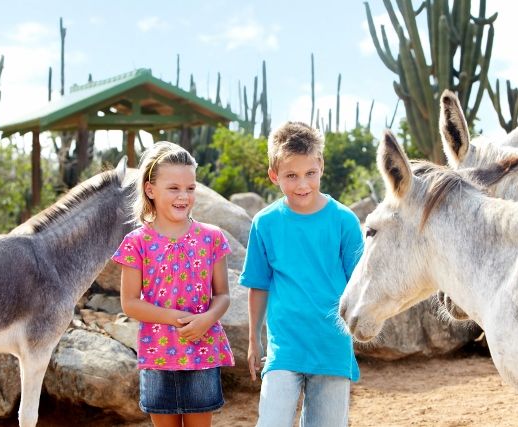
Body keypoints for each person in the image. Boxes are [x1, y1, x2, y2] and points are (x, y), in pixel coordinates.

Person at [239, 121, 364, 427]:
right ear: (274, 175)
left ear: (320, 165)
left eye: (310, 173)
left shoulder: (345, 221)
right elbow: (258, 285)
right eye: (291, 176)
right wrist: (254, 340)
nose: (302, 184)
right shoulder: (264, 222)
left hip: (332, 346)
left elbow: (359, 286)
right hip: (285, 347)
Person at [112, 141, 235, 427]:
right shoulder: (136, 242)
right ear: (150, 189)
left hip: (202, 353)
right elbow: (129, 302)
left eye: (190, 188)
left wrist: (206, 319)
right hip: (157, 356)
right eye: (174, 188)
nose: (184, 196)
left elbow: (224, 295)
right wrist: (175, 319)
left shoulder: (212, 238)